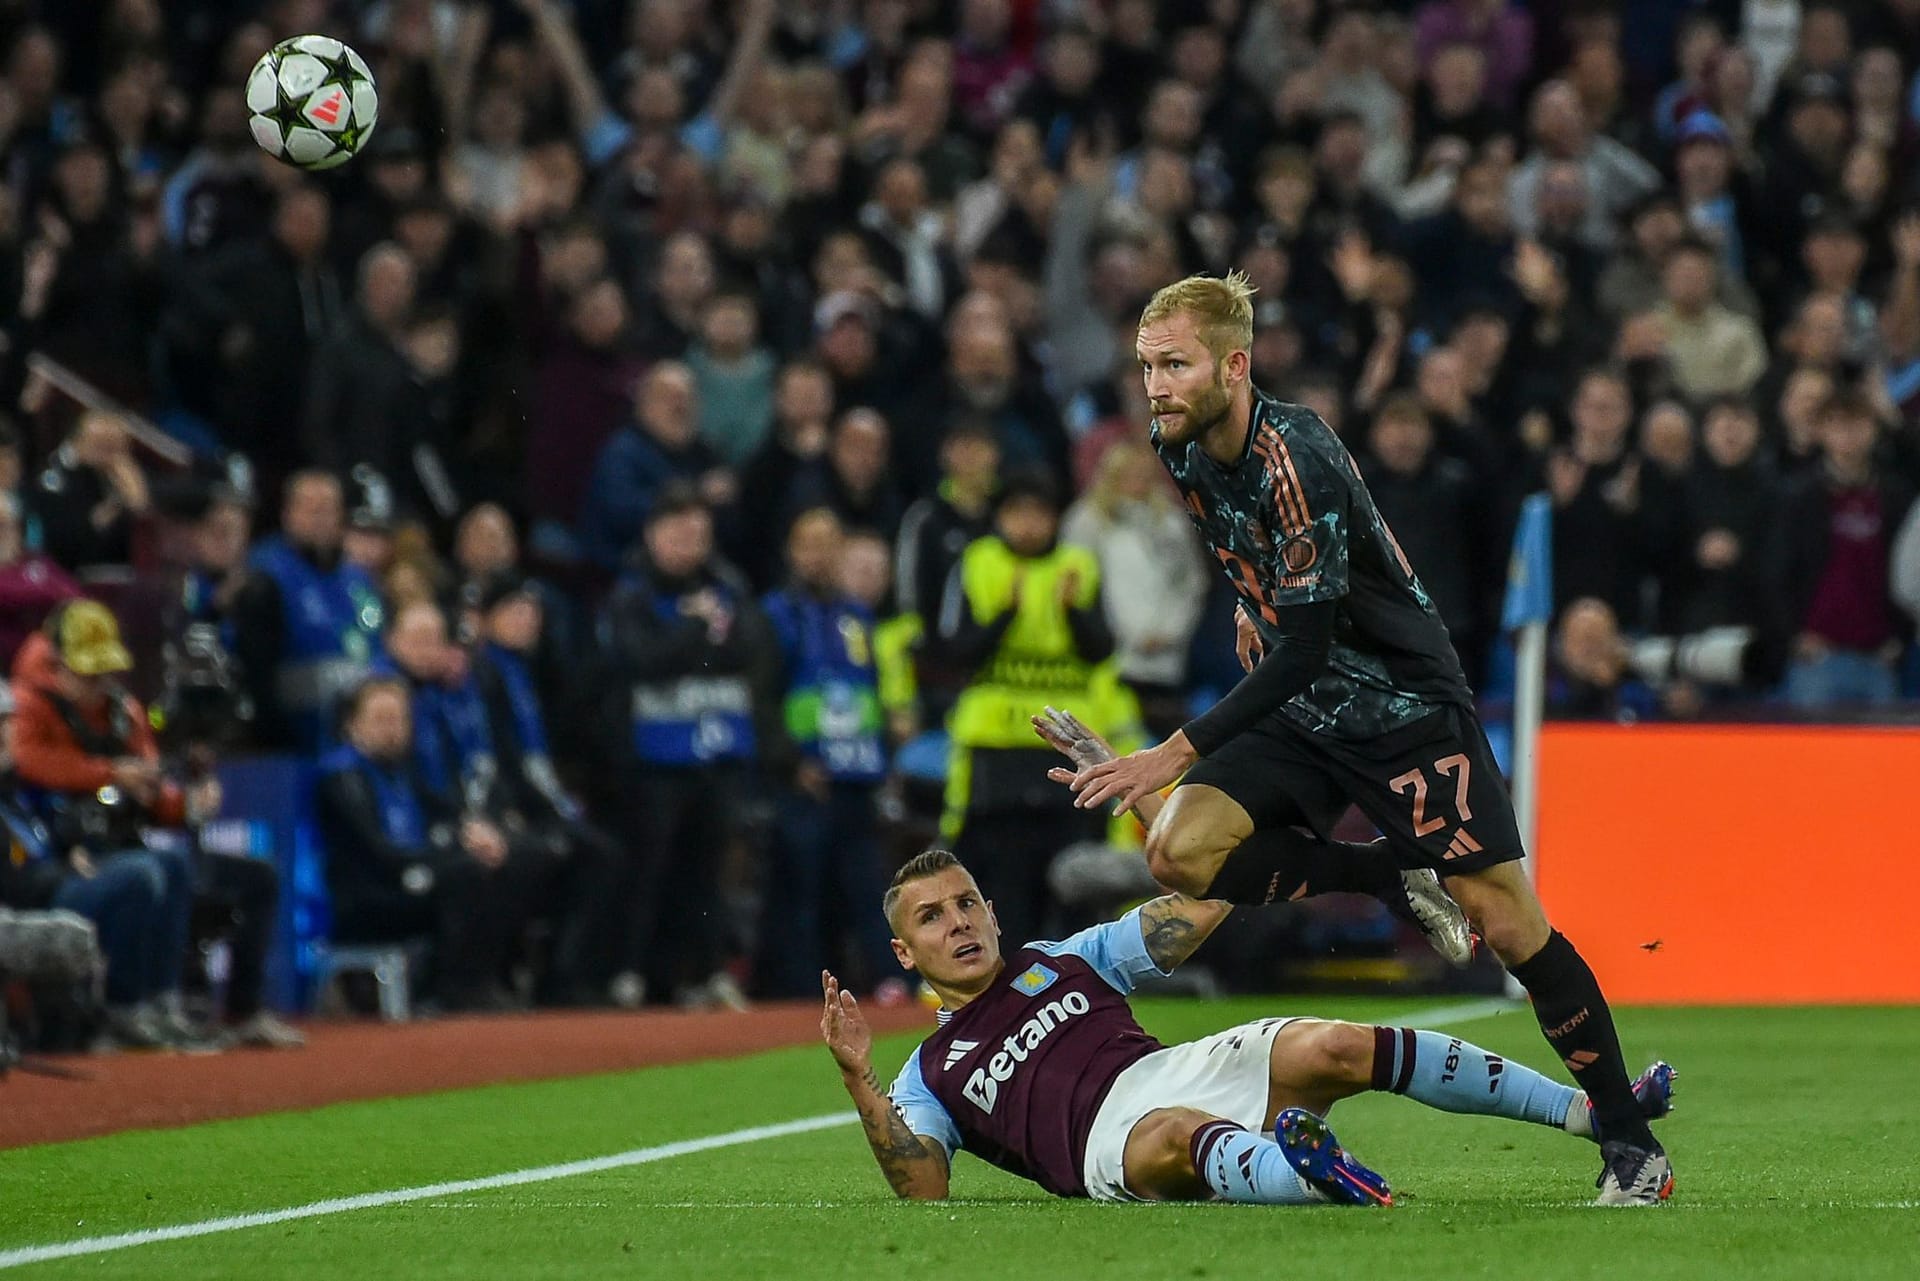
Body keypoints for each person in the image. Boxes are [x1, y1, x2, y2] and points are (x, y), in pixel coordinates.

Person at [1064, 272, 1674, 1204]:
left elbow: (1308, 646)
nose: (1156, 386)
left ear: (1236, 363)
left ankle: (1633, 1150)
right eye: (1147, 366)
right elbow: (1247, 559)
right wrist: (1248, 600)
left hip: (1401, 708)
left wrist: (1171, 751)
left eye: (1176, 365)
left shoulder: (1295, 453)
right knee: (1178, 853)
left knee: (1508, 921)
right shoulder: (1178, 440)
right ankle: (1387, 872)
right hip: (1305, 711)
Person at [820, 848, 1674, 1204]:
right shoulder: (926, 1072)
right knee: (1175, 1133)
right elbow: (923, 1187)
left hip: (1178, 1063)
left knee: (1336, 1043)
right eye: (933, 917)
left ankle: (1588, 1113)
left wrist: (1216, 850)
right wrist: (860, 1079)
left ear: (993, 909)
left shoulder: (1065, 956)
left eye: (967, 901)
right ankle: (1311, 1176)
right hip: (1106, 1142)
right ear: (904, 949)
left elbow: (1184, 917)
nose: (959, 921)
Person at [10, 601, 299, 1048]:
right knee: (146, 872)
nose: (99, 683)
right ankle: (126, 1007)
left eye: (106, 671)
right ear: (59, 663)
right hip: (64, 861)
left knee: (200, 866)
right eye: (89, 673)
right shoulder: (27, 705)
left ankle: (172, 1004)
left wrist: (184, 804)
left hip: (119, 843)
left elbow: (153, 783)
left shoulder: (123, 709)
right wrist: (109, 773)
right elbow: (30, 763)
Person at [594, 485, 770, 1010]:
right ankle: (631, 973)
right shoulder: (633, 596)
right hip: (655, 759)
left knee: (709, 871)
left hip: (716, 754)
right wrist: (696, 631)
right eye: (677, 531)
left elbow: (750, 649)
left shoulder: (728, 588)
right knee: (649, 870)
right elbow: (639, 660)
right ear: (652, 534)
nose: (688, 543)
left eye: (697, 532)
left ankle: (706, 972)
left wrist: (697, 640)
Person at [315, 677, 550, 1012]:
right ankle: (452, 990)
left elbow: (445, 812)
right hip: (368, 894)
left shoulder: (403, 771)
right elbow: (379, 851)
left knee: (508, 861)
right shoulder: (342, 775)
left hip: (415, 874)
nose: (392, 730)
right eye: (380, 720)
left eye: (398, 720)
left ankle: (482, 981)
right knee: (463, 874)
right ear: (353, 725)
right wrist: (446, 856)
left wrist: (473, 833)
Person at [756, 509, 900, 1002]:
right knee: (804, 890)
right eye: (807, 544)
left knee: (865, 887)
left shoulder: (856, 617)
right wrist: (790, 762)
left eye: (828, 543)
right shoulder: (775, 614)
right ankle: (799, 992)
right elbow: (762, 695)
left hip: (856, 772)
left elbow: (869, 690)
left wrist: (880, 757)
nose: (818, 555)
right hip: (804, 777)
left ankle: (886, 981)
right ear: (792, 553)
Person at [231, 471, 385, 752]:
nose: (321, 518)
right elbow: (258, 679)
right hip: (294, 749)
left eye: (329, 509)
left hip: (357, 752)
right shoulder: (266, 579)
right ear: (288, 514)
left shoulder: (359, 581)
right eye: (311, 509)